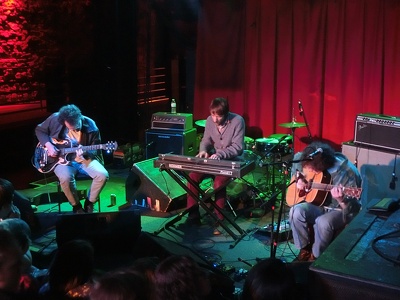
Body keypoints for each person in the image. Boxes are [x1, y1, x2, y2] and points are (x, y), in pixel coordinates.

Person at [287, 141, 362, 261]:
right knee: (295, 211)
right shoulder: (303, 159)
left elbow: (354, 210)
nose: (312, 172)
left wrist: (341, 199)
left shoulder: (347, 172)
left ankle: (316, 257)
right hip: (317, 204)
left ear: (323, 165)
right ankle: (304, 248)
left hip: (338, 209)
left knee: (323, 222)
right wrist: (299, 179)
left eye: (314, 170)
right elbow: (297, 168)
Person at [35, 104, 109, 213]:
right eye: (70, 128)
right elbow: (39, 130)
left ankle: (90, 202)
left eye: (76, 126)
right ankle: (76, 206)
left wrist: (85, 153)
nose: (74, 130)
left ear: (80, 118)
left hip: (83, 158)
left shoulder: (91, 126)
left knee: (102, 175)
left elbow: (95, 150)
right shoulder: (55, 118)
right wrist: (49, 146)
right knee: (65, 178)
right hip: (60, 161)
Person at [186, 97, 245, 234]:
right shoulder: (209, 120)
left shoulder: (238, 121)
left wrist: (220, 154)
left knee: (219, 183)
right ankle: (193, 215)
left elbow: (238, 147)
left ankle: (219, 219)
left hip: (232, 160)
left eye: (219, 116)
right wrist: (203, 151)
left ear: (226, 114)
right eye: (213, 115)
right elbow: (206, 140)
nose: (215, 119)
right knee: (192, 176)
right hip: (214, 157)